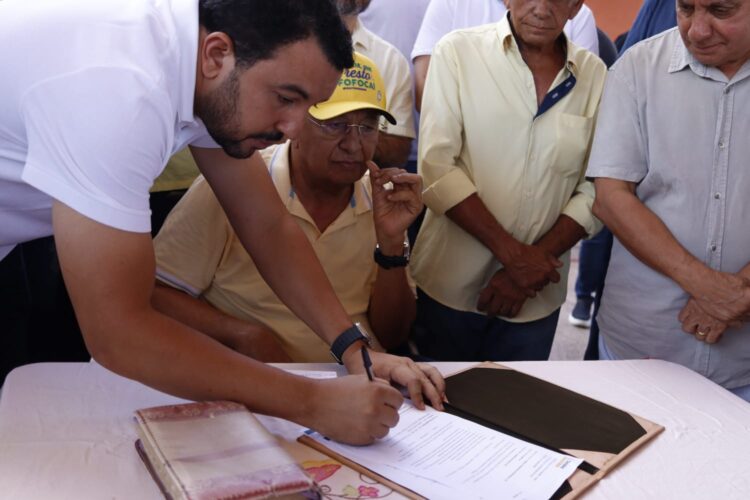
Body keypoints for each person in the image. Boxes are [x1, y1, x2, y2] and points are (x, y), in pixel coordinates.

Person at [0, 0, 444, 444]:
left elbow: (266, 224)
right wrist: (312, 403)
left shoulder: (206, 65)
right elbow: (119, 332)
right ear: (216, 54)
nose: (292, 127)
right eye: (286, 98)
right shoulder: (118, 89)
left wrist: (352, 347)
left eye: (308, 105)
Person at [152, 53, 419, 363]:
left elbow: (393, 335)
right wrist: (242, 336)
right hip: (252, 381)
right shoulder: (235, 186)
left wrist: (390, 248)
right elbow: (157, 292)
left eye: (368, 128)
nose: (353, 145)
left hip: (358, 379)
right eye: (335, 125)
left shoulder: (382, 202)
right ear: (295, 124)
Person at [410, 0, 606, 361]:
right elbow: (437, 167)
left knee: (517, 410)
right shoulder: (457, 52)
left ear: (577, 5)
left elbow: (597, 185)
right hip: (449, 288)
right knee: (439, 406)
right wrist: (516, 259)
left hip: (534, 300)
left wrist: (529, 268)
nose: (542, 9)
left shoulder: (595, 75)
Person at [587, 0, 750, 401]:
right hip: (643, 343)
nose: (696, 30)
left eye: (721, 11)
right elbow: (610, 197)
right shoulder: (637, 68)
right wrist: (710, 287)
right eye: (686, 8)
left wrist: (739, 289)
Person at [411, 0, 600, 110]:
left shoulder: (580, 17)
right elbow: (427, 91)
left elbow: (582, 100)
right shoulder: (452, 3)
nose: (541, 11)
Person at [336, 0, 416, 168]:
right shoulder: (281, 45)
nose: (351, 144)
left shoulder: (391, 59)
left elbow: (397, 150)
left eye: (367, 125)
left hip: (368, 189)